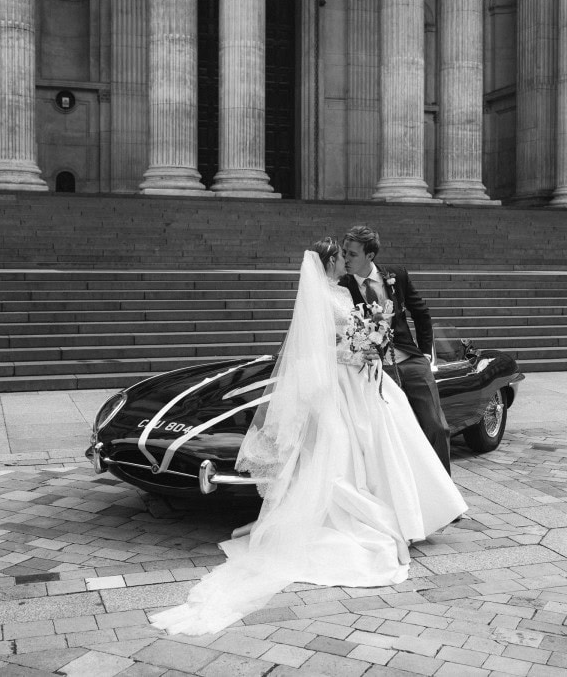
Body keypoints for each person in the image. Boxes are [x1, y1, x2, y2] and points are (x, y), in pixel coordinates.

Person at [149, 240, 466, 636]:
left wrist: (367, 343)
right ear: (329, 262)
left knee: (390, 431)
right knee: (348, 445)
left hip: (362, 376)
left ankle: (419, 508)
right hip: (343, 377)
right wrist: (357, 348)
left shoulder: (342, 289)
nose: (345, 262)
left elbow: (373, 323)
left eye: (349, 255)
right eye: (340, 257)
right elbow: (319, 346)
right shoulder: (322, 293)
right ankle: (377, 512)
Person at [340, 225, 451, 473]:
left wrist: (424, 354)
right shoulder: (341, 285)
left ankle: (446, 499)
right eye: (344, 252)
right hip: (374, 368)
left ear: (370, 255)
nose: (345, 258)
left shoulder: (396, 275)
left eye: (352, 254)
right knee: (395, 434)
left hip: (411, 360)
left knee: (436, 426)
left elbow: (421, 314)